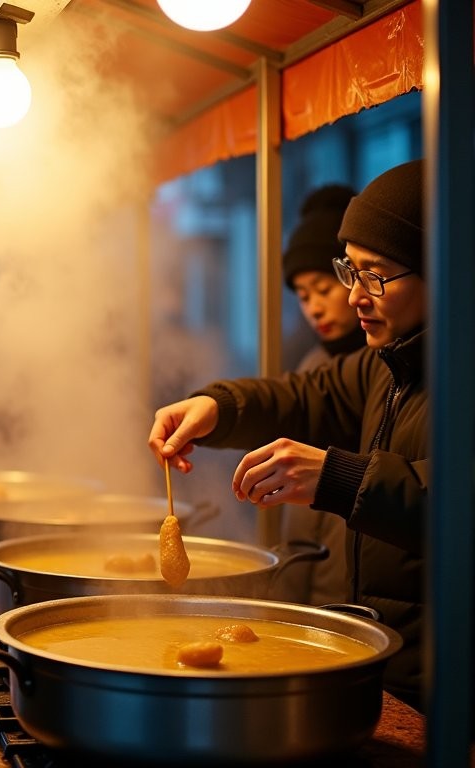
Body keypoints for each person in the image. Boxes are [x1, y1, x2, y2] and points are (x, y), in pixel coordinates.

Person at [147, 158, 430, 713]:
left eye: (375, 276)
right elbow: (305, 395)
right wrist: (217, 407)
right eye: (349, 271)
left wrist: (339, 478)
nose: (353, 297)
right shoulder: (389, 364)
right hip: (385, 677)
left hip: (445, 695)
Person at [279, 183, 365, 606]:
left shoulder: (386, 369)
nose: (313, 307)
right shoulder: (311, 362)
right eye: (302, 295)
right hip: (303, 564)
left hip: (353, 580)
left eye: (323, 289)